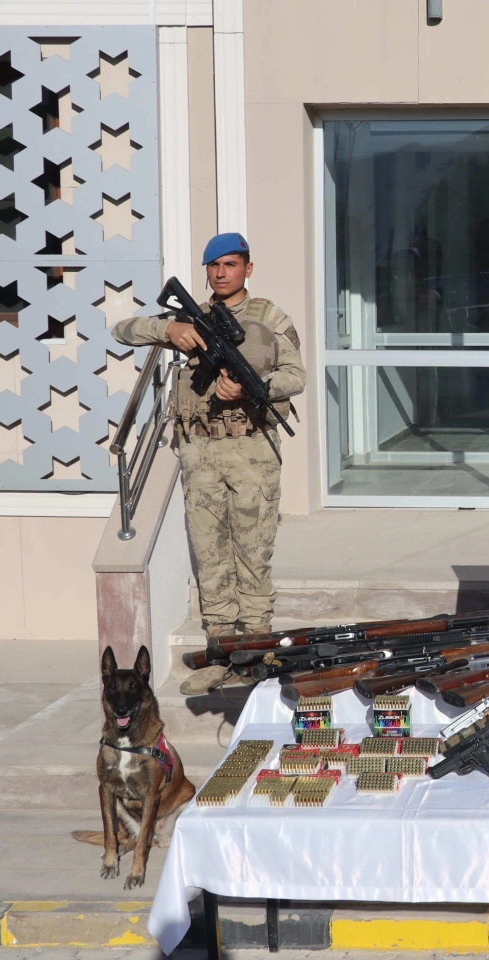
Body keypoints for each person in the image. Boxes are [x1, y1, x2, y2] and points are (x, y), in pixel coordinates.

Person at [113, 232, 307, 695]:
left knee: (253, 554)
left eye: (231, 264)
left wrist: (252, 386)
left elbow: (296, 375)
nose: (222, 273)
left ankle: (255, 653)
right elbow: (123, 330)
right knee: (210, 556)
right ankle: (218, 655)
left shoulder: (269, 317)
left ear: (248, 268)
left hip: (251, 450)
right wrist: (168, 331)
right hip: (200, 450)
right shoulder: (189, 319)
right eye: (214, 266)